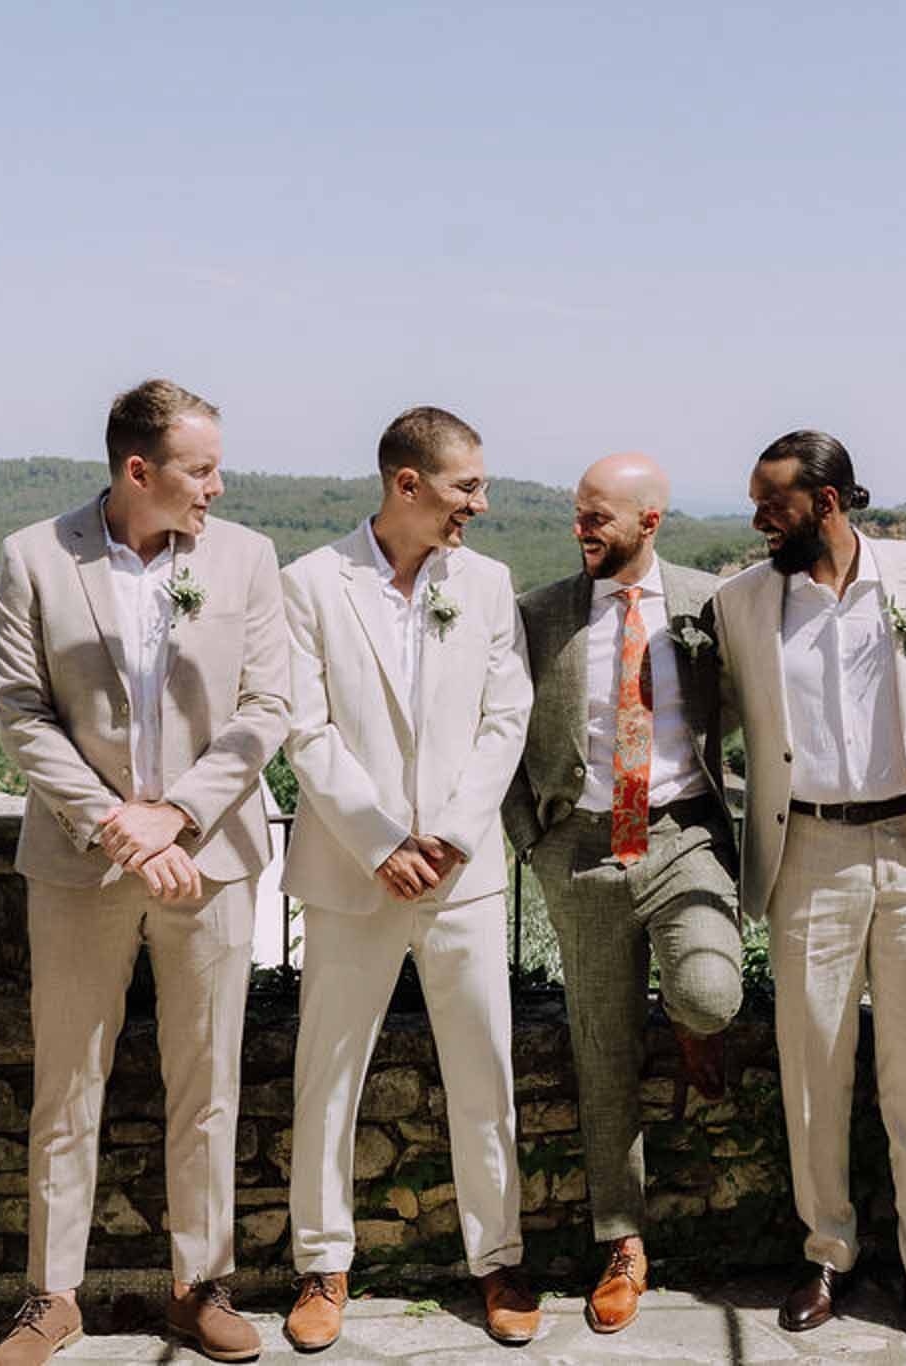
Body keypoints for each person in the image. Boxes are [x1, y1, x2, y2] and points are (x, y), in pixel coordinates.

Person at [0, 378, 289, 1365]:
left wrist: (177, 814)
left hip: (212, 860)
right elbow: (22, 710)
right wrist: (114, 821)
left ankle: (200, 1286)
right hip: (82, 862)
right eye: (199, 469)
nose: (216, 484)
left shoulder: (246, 556)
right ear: (137, 470)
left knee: (207, 1079)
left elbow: (265, 707)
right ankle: (52, 1297)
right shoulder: (35, 556)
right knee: (66, 1079)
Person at [278, 405, 539, 1351]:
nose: (481, 502)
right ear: (407, 485)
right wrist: (382, 841)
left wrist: (457, 837)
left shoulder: (490, 582)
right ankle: (321, 1264)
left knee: (486, 1072)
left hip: (462, 878)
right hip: (354, 874)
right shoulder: (309, 583)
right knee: (328, 1075)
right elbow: (302, 729)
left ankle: (498, 1260)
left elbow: (505, 716)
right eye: (467, 485)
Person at [712, 430, 906, 1359]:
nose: (756, 522)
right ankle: (827, 1251)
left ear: (827, 502)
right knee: (812, 1062)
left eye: (770, 506)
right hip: (806, 848)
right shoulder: (740, 602)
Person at [501, 453, 745, 1334]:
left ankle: (692, 1021)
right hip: (583, 853)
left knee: (713, 988)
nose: (581, 529)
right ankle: (623, 1242)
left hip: (682, 837)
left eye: (598, 516)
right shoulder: (537, 615)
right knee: (601, 1050)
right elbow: (495, 734)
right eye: (576, 513)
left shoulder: (713, 605)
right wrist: (534, 845)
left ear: (651, 521)